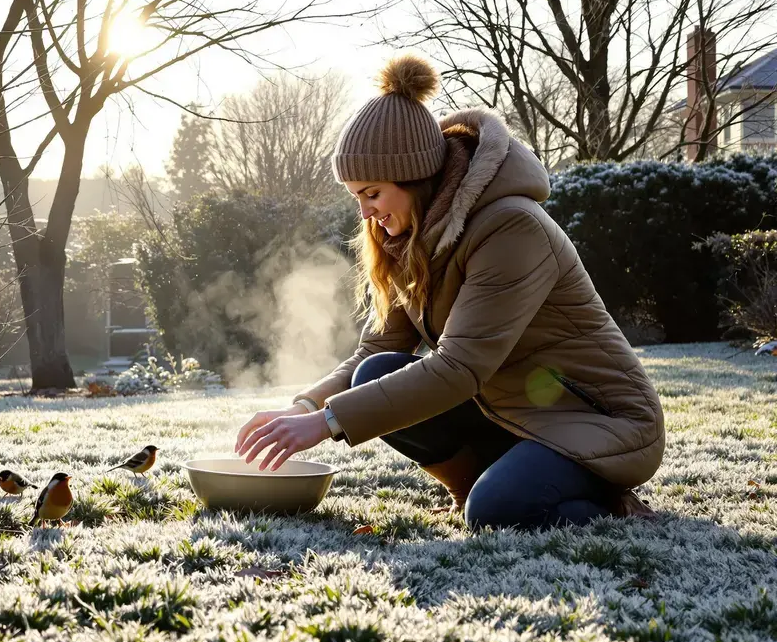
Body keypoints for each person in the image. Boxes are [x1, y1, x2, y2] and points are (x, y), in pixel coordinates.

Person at [235, 54, 664, 530]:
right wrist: (304, 407)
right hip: (514, 415)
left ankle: (605, 497)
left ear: (415, 178)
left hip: (600, 422)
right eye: (355, 196)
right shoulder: (410, 237)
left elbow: (459, 368)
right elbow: (378, 349)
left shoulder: (510, 226)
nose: (364, 213)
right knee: (377, 371)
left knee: (497, 513)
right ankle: (475, 489)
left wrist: (327, 424)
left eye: (372, 193)